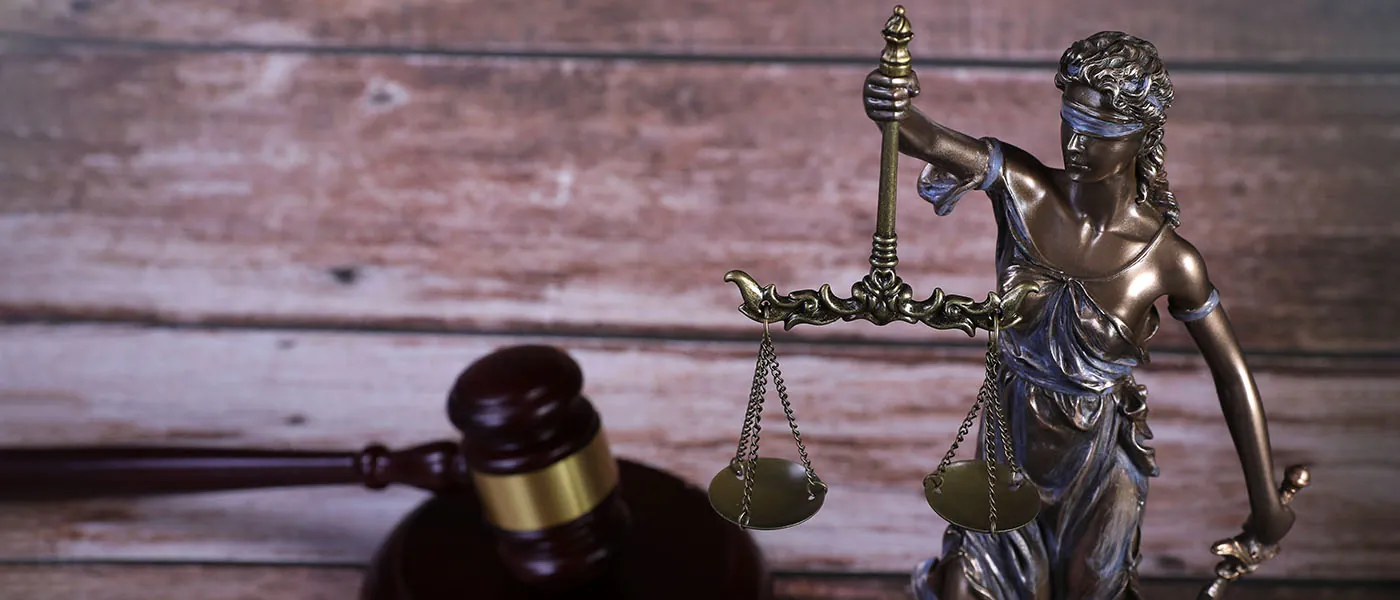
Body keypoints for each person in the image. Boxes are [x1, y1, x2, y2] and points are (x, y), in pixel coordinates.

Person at [863, 31, 1296, 600]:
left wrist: (1266, 509)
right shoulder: (1024, 189)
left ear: (1142, 135)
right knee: (965, 587)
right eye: (1070, 122)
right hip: (1009, 443)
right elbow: (923, 138)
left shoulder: (1170, 261)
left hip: (1099, 466)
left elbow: (1232, 376)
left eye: (1098, 134)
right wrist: (892, 107)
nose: (1075, 145)